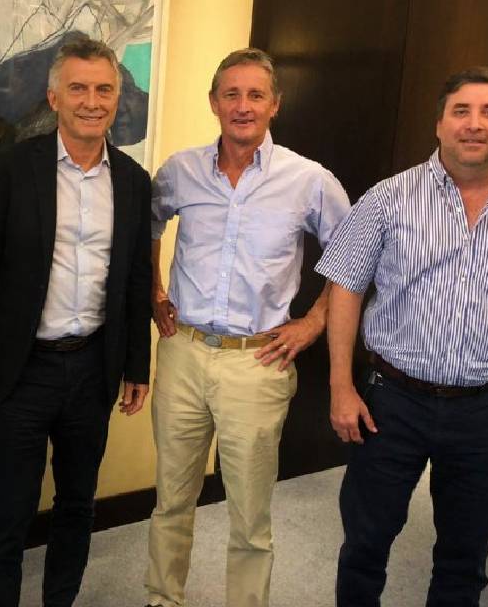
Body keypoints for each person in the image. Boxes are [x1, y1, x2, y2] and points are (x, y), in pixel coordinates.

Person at [317, 66, 488, 606]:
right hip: (390, 404)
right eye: (461, 111)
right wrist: (340, 386)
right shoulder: (389, 198)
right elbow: (345, 287)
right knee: (366, 544)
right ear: (439, 123)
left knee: (465, 560)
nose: (474, 124)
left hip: (487, 411)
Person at [145, 48, 351, 607]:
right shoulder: (181, 171)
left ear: (274, 105)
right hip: (184, 354)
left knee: (249, 516)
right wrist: (154, 290)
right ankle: (162, 598)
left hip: (257, 363)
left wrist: (312, 323)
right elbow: (147, 226)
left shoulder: (308, 180)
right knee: (171, 501)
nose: (243, 106)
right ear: (213, 102)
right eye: (231, 94)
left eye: (255, 95)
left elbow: (355, 258)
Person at [0, 37, 152, 607]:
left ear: (116, 99)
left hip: (93, 367)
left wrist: (136, 366)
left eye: (103, 90)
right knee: (9, 511)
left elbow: (135, 278)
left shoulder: (133, 180)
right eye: (78, 88)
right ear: (54, 98)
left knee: (77, 505)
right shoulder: (8, 171)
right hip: (23, 370)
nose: (91, 101)